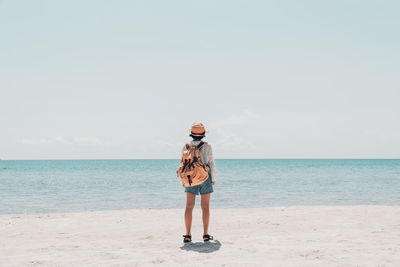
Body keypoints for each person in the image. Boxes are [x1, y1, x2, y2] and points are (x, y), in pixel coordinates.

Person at [182, 122, 217, 243]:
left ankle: (187, 235)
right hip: (205, 176)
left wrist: (183, 180)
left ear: (191, 134)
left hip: (190, 177)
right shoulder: (207, 147)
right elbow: (211, 163)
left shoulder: (186, 146)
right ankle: (206, 234)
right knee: (205, 207)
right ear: (203, 135)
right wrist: (213, 178)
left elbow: (183, 164)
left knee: (189, 206)